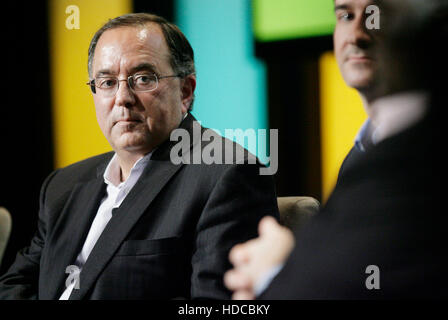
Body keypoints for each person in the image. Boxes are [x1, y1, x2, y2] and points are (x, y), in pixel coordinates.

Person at [0, 13, 279, 300]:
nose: (122, 97)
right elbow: (14, 285)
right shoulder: (62, 186)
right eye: (107, 82)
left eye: (143, 78)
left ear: (185, 91)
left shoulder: (227, 173)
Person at [224, 0, 447, 299]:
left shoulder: (419, 156)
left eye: (375, 15)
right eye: (345, 16)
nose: (357, 34)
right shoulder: (360, 156)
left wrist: (275, 273)